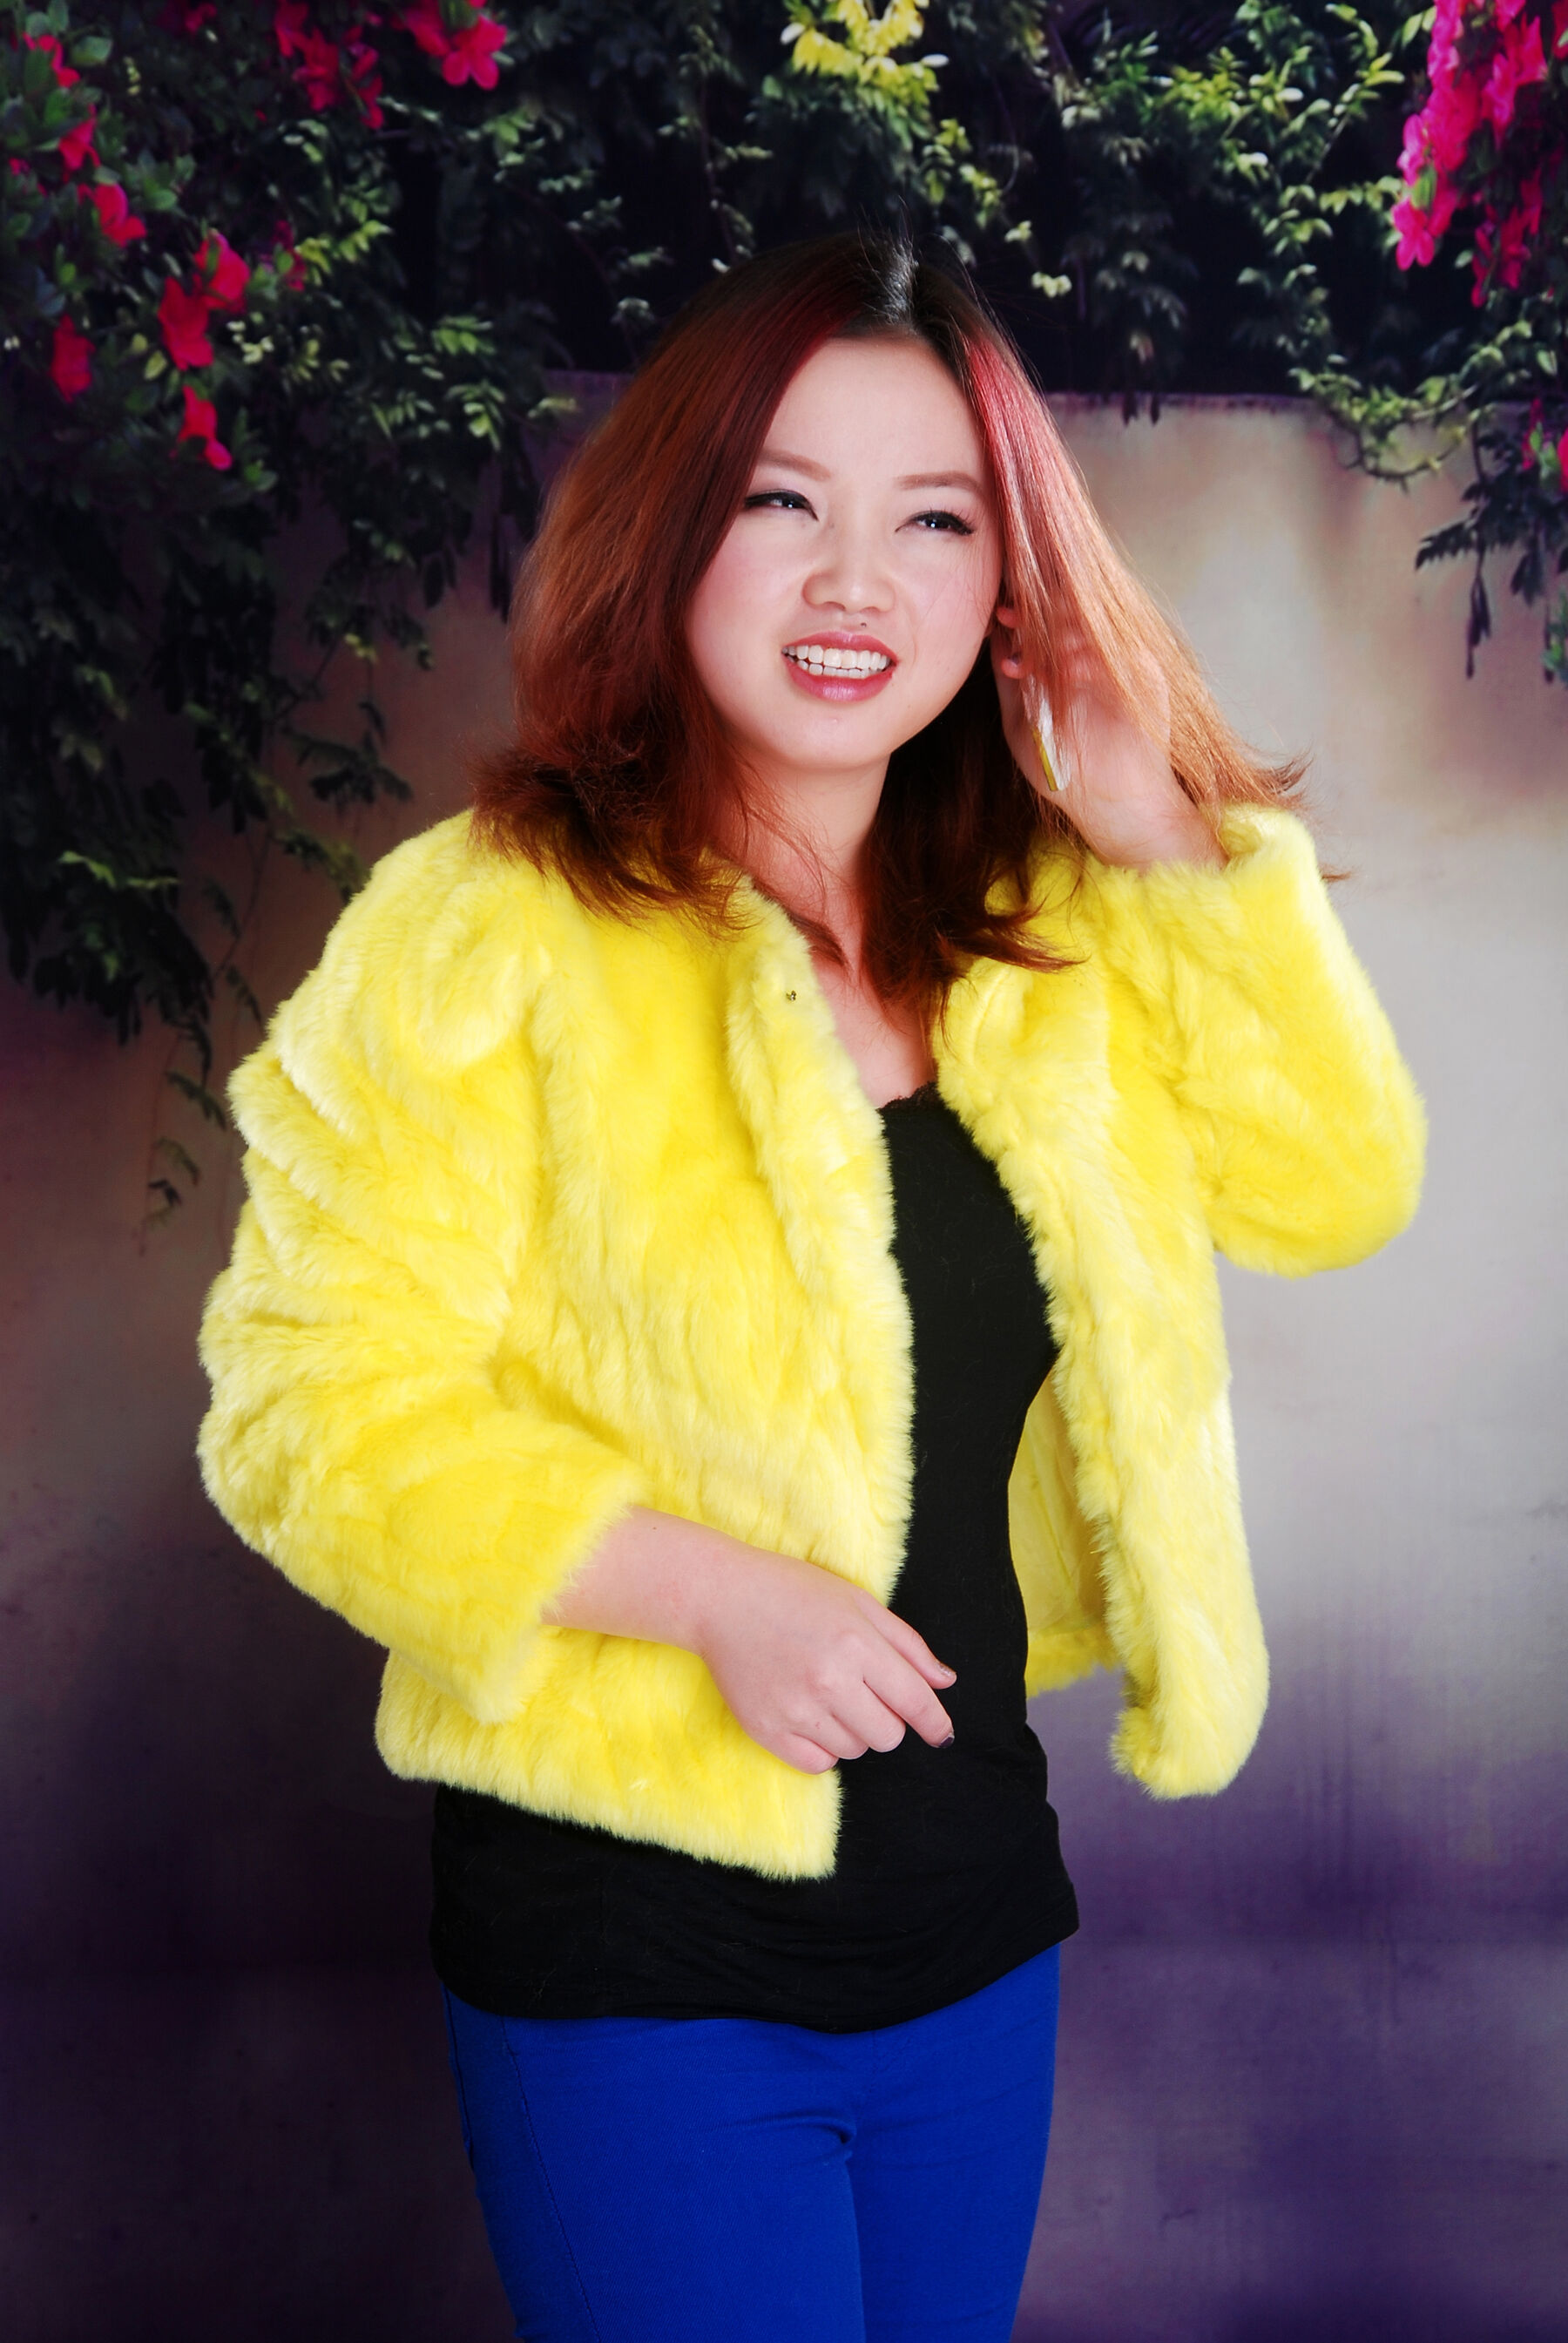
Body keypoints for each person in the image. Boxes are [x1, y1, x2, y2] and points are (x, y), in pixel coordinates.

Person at [196, 233, 1425, 2343]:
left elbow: (1333, 1190)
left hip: (971, 1929)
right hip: (632, 1963)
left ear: (1009, 583)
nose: (859, 582)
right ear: (673, 528)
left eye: (935, 521)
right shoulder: (484, 929)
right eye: (786, 501)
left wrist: (1159, 837)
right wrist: (707, 1594)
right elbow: (303, 1407)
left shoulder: (1052, 925)